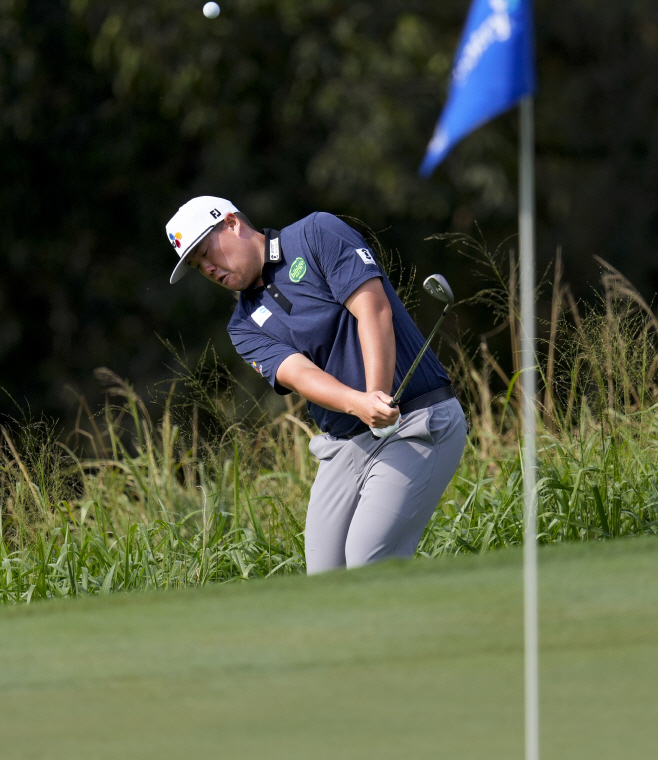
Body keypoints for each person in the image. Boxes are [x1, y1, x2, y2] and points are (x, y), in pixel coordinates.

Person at [166, 195, 467, 573]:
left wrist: (375, 395)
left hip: (416, 420)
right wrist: (360, 404)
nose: (208, 269)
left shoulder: (314, 234)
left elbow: (372, 309)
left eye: (207, 252)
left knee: (367, 559)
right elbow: (300, 374)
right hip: (345, 446)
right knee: (324, 576)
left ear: (231, 223)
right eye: (198, 266)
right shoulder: (242, 325)